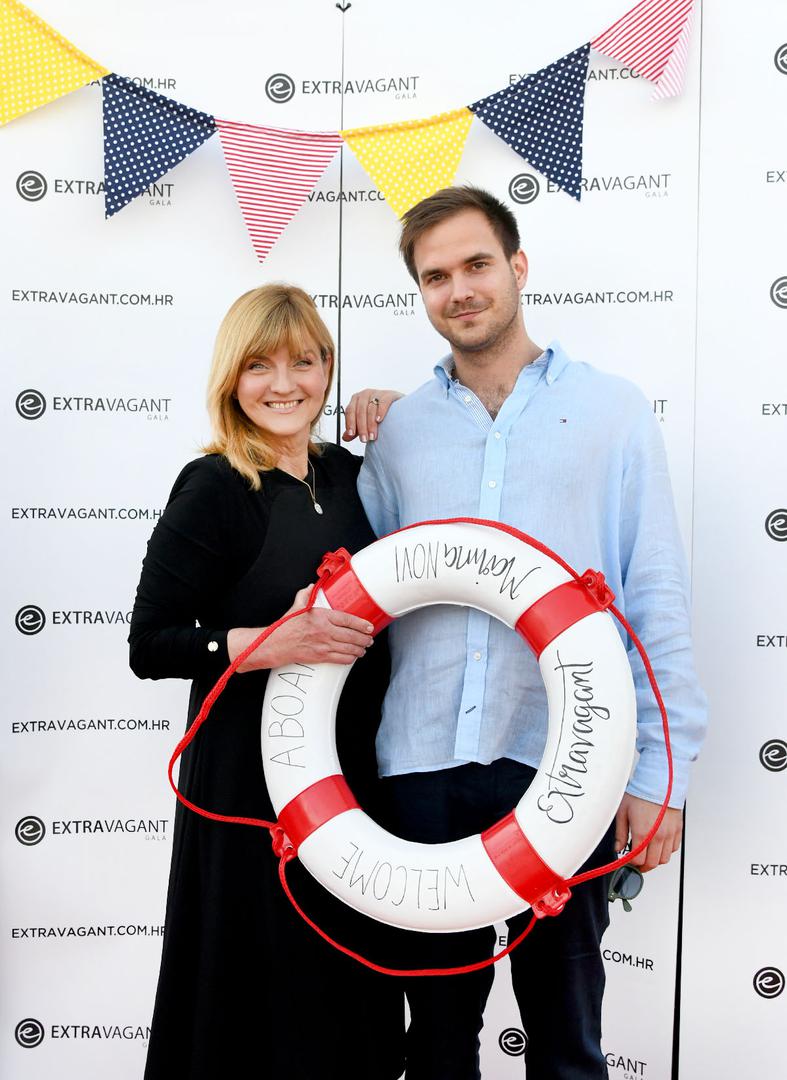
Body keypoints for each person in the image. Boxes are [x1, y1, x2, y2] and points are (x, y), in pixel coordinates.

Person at [354, 186, 707, 1080]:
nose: (458, 290)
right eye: (435, 277)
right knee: (435, 1046)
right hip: (421, 767)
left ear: (516, 266)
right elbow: (367, 597)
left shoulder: (612, 412)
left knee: (565, 1039)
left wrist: (660, 775)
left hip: (566, 759)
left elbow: (653, 596)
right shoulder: (398, 433)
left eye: (476, 265)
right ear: (421, 292)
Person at [129, 284, 404, 1080]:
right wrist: (262, 642)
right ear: (232, 378)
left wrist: (403, 411)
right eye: (259, 366)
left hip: (353, 773)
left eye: (304, 362)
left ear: (327, 370)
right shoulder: (214, 486)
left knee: (346, 984)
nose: (284, 384)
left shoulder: (353, 477)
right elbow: (150, 643)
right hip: (248, 787)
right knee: (256, 994)